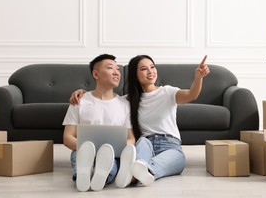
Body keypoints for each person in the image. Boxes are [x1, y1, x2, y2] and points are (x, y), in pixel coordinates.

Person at [70, 55, 210, 186]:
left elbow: (192, 95)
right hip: (144, 145)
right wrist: (82, 93)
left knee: (178, 161)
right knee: (143, 144)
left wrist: (198, 78)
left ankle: (134, 173)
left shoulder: (167, 92)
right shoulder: (127, 100)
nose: (150, 71)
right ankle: (136, 171)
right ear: (135, 75)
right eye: (144, 69)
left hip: (170, 145)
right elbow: (106, 99)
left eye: (152, 67)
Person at [62, 54, 136, 192]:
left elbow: (131, 138)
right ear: (96, 74)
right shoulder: (79, 101)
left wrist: (115, 149)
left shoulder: (125, 105)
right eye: (110, 68)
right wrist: (89, 150)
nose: (116, 72)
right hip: (83, 150)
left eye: (118, 69)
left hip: (111, 153)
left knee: (111, 162)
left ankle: (98, 176)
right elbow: (67, 137)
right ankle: (83, 175)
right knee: (77, 154)